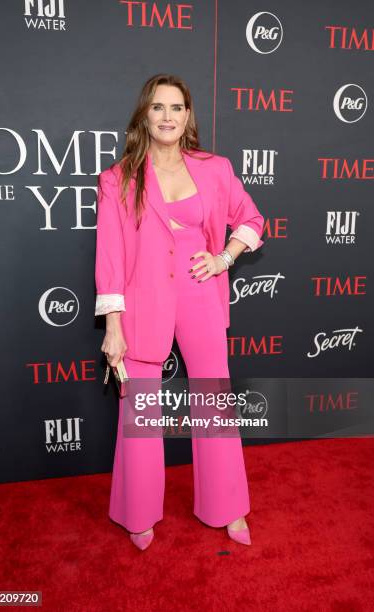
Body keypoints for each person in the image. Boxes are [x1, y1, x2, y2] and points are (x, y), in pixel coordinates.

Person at [95, 73, 265, 550]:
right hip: (144, 299)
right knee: (141, 407)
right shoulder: (118, 178)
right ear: (144, 116)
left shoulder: (215, 169)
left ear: (188, 115)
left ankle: (227, 506)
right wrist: (113, 326)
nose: (167, 116)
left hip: (200, 292)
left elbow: (252, 219)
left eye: (176, 108)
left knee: (215, 401)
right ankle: (138, 512)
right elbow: (110, 256)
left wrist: (223, 258)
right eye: (157, 108)